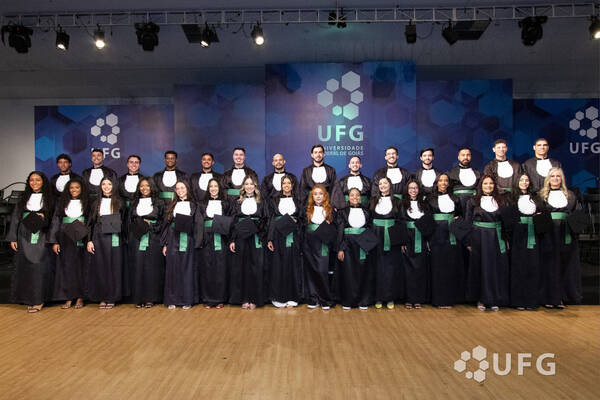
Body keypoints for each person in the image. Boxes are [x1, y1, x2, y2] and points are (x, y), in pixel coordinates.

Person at [7, 171, 54, 313]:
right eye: (32, 180)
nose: (34, 183)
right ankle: (28, 298)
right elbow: (16, 218)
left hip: (42, 235)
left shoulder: (50, 199)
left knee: (39, 266)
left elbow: (54, 219)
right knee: (25, 267)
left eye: (38, 180)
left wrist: (44, 217)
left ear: (43, 182)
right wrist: (13, 237)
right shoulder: (23, 198)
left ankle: (39, 299)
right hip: (24, 234)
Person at [538, 167, 582, 308]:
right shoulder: (541, 196)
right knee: (549, 266)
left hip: (565, 234)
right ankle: (549, 297)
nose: (555, 179)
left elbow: (577, 214)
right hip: (548, 233)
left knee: (565, 265)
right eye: (552, 176)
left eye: (558, 176)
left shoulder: (570, 195)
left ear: (562, 179)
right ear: (548, 179)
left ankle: (562, 297)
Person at [465, 175, 509, 312]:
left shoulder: (502, 201)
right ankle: (481, 299)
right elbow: (468, 222)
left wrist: (506, 239)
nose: (488, 186)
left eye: (491, 183)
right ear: (481, 186)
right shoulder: (472, 201)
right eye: (485, 183)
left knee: (495, 268)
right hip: (478, 238)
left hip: (496, 238)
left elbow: (506, 222)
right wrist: (468, 241)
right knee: (480, 267)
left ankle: (494, 298)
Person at [49, 177, 89, 310]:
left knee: (81, 267)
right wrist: (55, 241)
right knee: (66, 267)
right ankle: (68, 296)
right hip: (65, 238)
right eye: (71, 188)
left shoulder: (87, 203)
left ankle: (80, 296)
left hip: (82, 237)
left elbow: (91, 222)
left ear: (82, 189)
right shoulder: (62, 203)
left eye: (77, 187)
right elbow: (56, 222)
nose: (74, 190)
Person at [228, 175, 267, 309]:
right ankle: (244, 298)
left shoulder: (261, 202)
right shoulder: (237, 202)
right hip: (241, 238)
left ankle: (255, 299)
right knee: (242, 268)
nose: (249, 186)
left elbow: (265, 219)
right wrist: (233, 239)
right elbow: (233, 221)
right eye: (247, 184)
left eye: (251, 184)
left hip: (256, 237)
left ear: (255, 186)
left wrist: (258, 230)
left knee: (256, 268)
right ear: (243, 187)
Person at [127, 177, 165, 308]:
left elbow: (163, 221)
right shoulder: (134, 203)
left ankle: (151, 298)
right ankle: (139, 298)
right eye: (142, 186)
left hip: (153, 238)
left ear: (152, 187)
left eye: (147, 185)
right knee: (137, 267)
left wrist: (151, 225)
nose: (144, 188)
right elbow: (129, 221)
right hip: (136, 238)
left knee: (152, 267)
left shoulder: (159, 203)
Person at [161, 180, 200, 309]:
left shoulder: (194, 206)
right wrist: (165, 244)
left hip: (187, 239)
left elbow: (198, 225)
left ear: (187, 189)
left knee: (187, 269)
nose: (180, 190)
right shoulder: (171, 206)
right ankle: (172, 299)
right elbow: (166, 225)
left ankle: (186, 299)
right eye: (177, 188)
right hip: (173, 238)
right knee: (172, 269)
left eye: (182, 187)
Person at [86, 177, 124, 309]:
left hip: (115, 237)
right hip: (98, 236)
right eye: (103, 184)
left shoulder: (120, 202)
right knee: (100, 267)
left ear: (114, 186)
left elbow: (125, 222)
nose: (106, 187)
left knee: (114, 267)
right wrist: (89, 240)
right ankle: (102, 297)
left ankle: (113, 297)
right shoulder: (95, 203)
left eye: (109, 184)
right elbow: (90, 223)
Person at [427, 174, 464, 308]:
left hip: (452, 236)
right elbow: (427, 218)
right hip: (436, 236)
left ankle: (450, 299)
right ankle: (438, 300)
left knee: (451, 267)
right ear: (436, 183)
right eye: (440, 180)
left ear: (448, 183)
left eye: (446, 180)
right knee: (437, 268)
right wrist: (427, 238)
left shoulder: (455, 199)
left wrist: (457, 219)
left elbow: (460, 216)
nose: (443, 183)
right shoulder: (430, 199)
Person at [266, 174, 303, 308]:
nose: (286, 185)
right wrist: (270, 238)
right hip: (277, 236)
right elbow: (271, 219)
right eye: (284, 183)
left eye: (289, 183)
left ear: (292, 185)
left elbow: (302, 218)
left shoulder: (298, 201)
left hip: (293, 236)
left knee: (293, 265)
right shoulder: (273, 201)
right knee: (278, 266)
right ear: (281, 186)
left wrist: (296, 220)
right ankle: (278, 297)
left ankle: (293, 297)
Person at [508, 173, 542, 310]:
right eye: (521, 180)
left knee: (533, 266)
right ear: (517, 182)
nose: (524, 182)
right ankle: (518, 301)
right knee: (518, 267)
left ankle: (532, 301)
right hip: (518, 235)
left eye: (527, 180)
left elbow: (541, 213)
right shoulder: (511, 198)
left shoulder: (536, 198)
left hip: (533, 234)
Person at [335, 187, 372, 310]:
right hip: (348, 245)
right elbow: (340, 231)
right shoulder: (342, 212)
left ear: (360, 197)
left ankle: (363, 300)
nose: (355, 197)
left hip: (362, 244)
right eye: (352, 195)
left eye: (357, 195)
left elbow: (369, 228)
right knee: (348, 273)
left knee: (363, 271)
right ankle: (348, 301)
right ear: (348, 197)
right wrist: (340, 248)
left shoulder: (367, 211)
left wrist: (368, 245)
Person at [370, 177, 403, 309]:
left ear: (390, 185)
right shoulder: (373, 200)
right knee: (377, 266)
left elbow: (400, 220)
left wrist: (401, 241)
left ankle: (390, 297)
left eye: (385, 183)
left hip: (392, 236)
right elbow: (368, 219)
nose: (383, 185)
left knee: (391, 268)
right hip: (376, 236)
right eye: (380, 184)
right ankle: (378, 297)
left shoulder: (397, 201)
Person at [197, 178, 231, 309]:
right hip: (206, 237)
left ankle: (220, 298)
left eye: (215, 186)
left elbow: (230, 220)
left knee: (220, 268)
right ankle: (208, 298)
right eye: (211, 186)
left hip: (221, 237)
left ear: (219, 188)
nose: (213, 188)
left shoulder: (226, 204)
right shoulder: (202, 204)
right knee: (207, 268)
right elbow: (199, 222)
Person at [303, 184, 336, 309]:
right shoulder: (306, 209)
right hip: (308, 243)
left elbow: (335, 228)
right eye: (315, 194)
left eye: (320, 194)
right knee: (311, 270)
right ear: (312, 196)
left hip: (323, 243)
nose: (318, 196)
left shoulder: (330, 210)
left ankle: (325, 299)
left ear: (325, 196)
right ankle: (313, 298)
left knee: (322, 270)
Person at [400, 180, 430, 309]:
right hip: (407, 238)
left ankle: (418, 299)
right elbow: (400, 222)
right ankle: (409, 299)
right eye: (411, 188)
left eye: (416, 188)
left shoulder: (425, 204)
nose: (413, 190)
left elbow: (428, 222)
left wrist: (428, 240)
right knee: (408, 270)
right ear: (407, 190)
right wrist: (402, 241)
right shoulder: (402, 204)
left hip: (421, 237)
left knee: (420, 268)